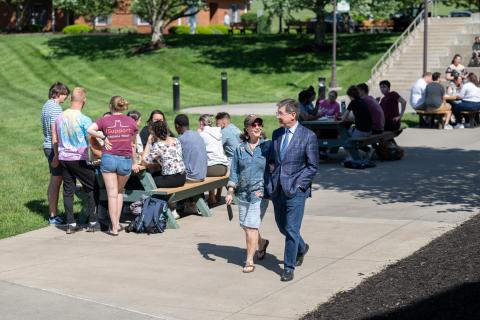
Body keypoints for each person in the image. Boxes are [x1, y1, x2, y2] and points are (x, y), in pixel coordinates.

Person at [266, 99, 319, 282]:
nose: (277, 116)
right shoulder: (276, 134)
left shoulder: (308, 136)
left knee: (291, 228)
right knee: (283, 226)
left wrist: (299, 185)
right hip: (277, 189)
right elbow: (273, 160)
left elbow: (312, 166)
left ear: (292, 115)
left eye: (280, 113)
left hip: (296, 191)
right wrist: (271, 181)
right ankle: (302, 247)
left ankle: (288, 267)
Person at [87, 96, 140, 236]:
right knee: (119, 192)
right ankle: (117, 224)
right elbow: (132, 145)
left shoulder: (104, 120)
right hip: (125, 159)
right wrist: (135, 162)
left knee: (111, 194)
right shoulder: (131, 122)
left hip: (108, 158)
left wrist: (104, 138)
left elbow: (89, 129)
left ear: (110, 106)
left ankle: (115, 227)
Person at [225, 115, 270, 273]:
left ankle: (249, 260)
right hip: (243, 194)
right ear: (247, 129)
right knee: (246, 226)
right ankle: (262, 243)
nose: (257, 127)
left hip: (260, 194)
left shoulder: (267, 146)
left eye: (259, 124)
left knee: (251, 227)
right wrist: (230, 191)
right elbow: (234, 173)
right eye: (254, 125)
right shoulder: (240, 149)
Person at [53, 88, 98, 234]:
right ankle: (92, 221)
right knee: (92, 187)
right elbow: (91, 140)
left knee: (68, 191)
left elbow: (56, 139)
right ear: (84, 100)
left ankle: (70, 224)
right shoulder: (84, 119)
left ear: (71, 98)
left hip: (64, 158)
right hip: (79, 158)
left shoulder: (60, 117)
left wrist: (56, 155)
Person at [41, 82, 70, 225]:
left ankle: (53, 214)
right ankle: (53, 216)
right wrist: (57, 156)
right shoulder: (55, 108)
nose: (66, 97)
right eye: (65, 94)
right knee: (56, 182)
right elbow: (55, 133)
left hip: (48, 146)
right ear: (58, 93)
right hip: (54, 148)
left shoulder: (46, 105)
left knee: (54, 180)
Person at [174, 114, 208, 216]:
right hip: (203, 173)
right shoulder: (197, 135)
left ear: (177, 126)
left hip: (193, 177)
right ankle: (192, 204)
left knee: (171, 176)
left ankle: (176, 208)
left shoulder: (181, 139)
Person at [142, 120, 186, 188]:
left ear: (154, 133)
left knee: (147, 181)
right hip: (182, 178)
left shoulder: (158, 145)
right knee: (156, 175)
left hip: (171, 180)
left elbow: (144, 162)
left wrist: (149, 142)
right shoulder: (176, 140)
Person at [198, 114, 229, 206]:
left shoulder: (202, 134)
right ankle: (217, 194)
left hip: (214, 168)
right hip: (224, 167)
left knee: (196, 171)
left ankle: (211, 197)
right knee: (211, 162)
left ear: (201, 123)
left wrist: (198, 133)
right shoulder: (218, 133)